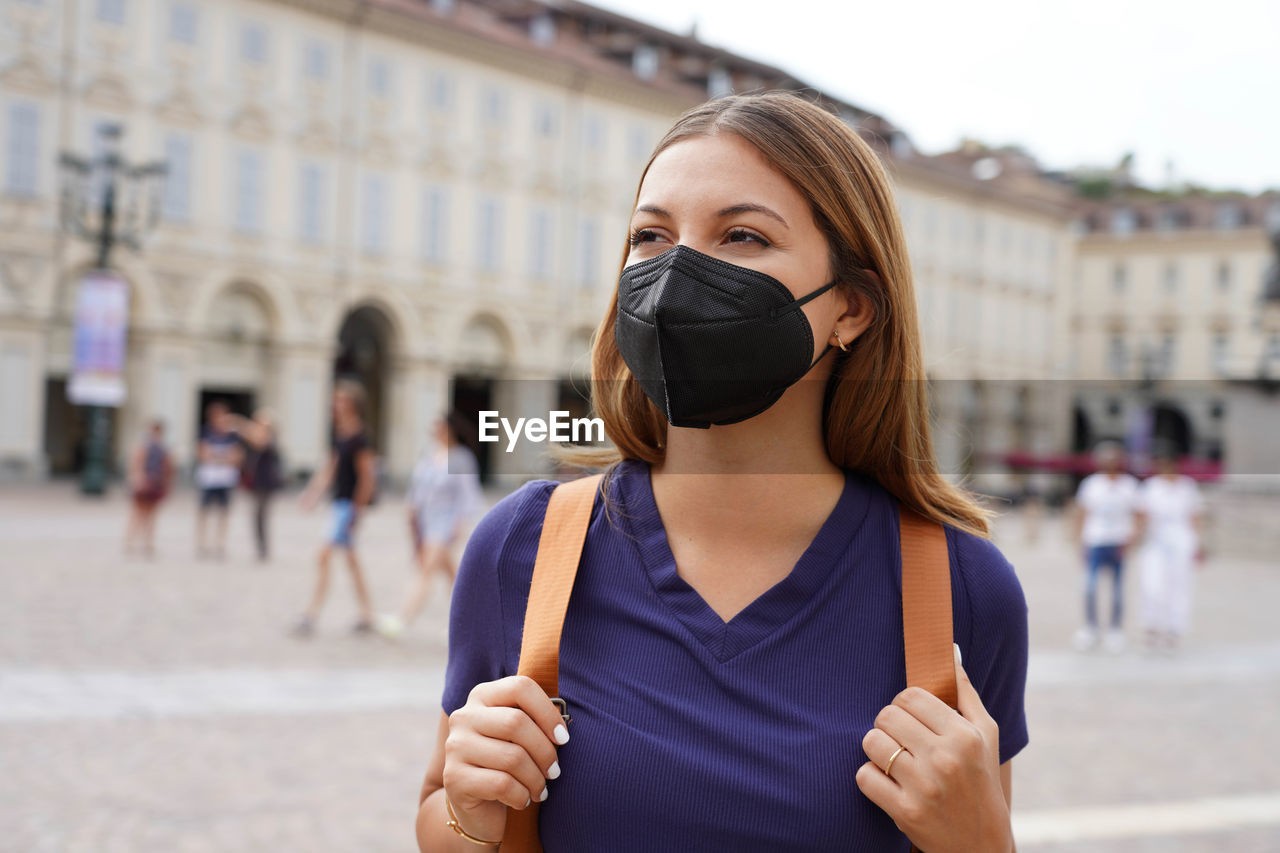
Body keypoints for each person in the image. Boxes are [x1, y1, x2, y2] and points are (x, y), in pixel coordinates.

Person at [415, 93, 1028, 853]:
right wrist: (467, 819)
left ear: (853, 308)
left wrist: (982, 844)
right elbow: (444, 821)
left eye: (741, 235)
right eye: (650, 236)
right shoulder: (524, 548)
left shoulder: (962, 587)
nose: (676, 275)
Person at [377, 412, 483, 639]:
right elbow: (418, 489)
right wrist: (411, 512)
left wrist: (460, 523)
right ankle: (473, 621)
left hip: (445, 523)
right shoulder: (428, 455)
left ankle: (402, 618)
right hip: (426, 521)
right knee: (454, 576)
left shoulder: (461, 458)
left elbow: (467, 494)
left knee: (425, 570)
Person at [294, 381, 377, 636]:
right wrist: (312, 494)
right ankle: (366, 614)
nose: (336, 405)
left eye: (341, 400)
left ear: (352, 404)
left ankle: (311, 614)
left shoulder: (360, 437)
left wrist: (357, 510)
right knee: (350, 562)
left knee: (324, 556)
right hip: (338, 504)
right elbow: (329, 470)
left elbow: (366, 477)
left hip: (346, 507)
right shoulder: (340, 433)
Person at [1071, 440, 1140, 653]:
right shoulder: (1092, 484)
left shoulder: (1129, 485)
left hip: (1118, 539)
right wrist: (1078, 540)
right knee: (1090, 587)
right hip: (1095, 540)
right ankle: (1091, 627)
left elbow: (1138, 513)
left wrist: (1132, 539)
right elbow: (1081, 513)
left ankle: (1115, 630)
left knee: (1117, 589)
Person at [1135, 445, 1205, 652]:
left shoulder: (1187, 486)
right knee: (1152, 584)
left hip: (1181, 539)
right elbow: (1141, 514)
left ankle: (1175, 628)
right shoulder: (1151, 486)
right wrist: (1136, 537)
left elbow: (1194, 516)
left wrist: (1198, 543)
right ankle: (1151, 625)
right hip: (1155, 540)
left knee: (1179, 585)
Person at [230, 409, 284, 562]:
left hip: (266, 482)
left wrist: (239, 423)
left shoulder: (269, 439)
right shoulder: (259, 438)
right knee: (258, 516)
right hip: (257, 482)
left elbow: (259, 441)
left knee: (261, 515)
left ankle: (263, 548)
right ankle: (261, 547)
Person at [195, 401, 243, 560]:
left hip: (225, 478)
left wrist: (217, 457)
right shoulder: (206, 432)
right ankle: (202, 543)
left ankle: (220, 543)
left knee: (223, 512)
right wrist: (222, 457)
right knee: (204, 511)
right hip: (209, 478)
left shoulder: (232, 435)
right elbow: (202, 453)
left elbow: (237, 456)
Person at [124, 419, 173, 557]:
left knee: (151, 514)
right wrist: (137, 479)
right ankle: (131, 540)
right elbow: (136, 463)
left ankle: (146, 542)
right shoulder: (145, 446)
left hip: (155, 482)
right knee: (139, 513)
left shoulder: (161, 447)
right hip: (147, 481)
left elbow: (167, 467)